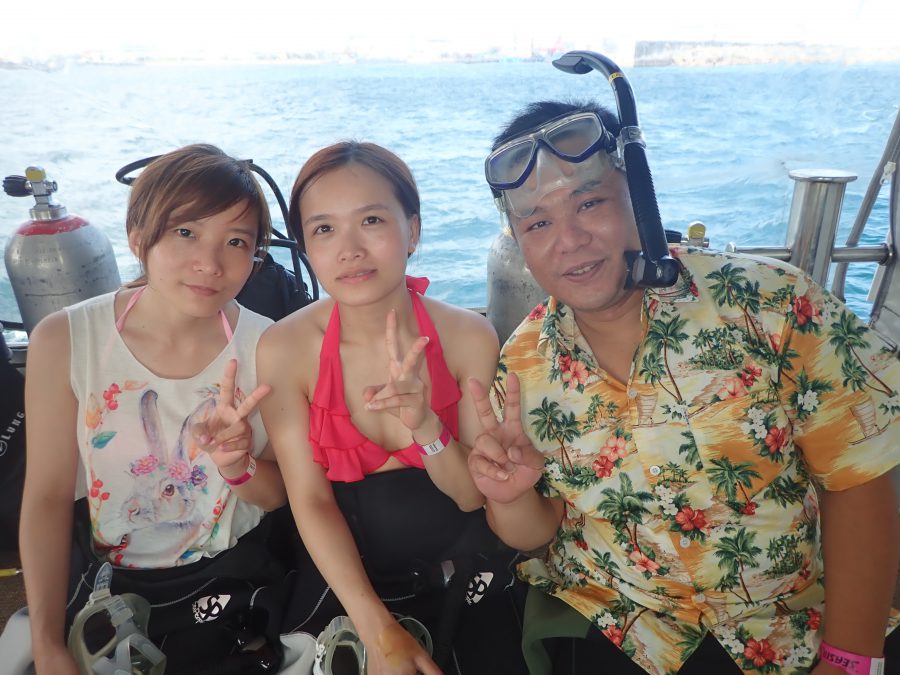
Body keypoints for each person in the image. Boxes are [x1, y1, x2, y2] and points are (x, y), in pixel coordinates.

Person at [467, 99, 900, 675]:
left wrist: (850, 660)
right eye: (537, 223)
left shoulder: (770, 304)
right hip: (622, 623)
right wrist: (510, 493)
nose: (568, 240)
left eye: (590, 203)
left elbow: (860, 477)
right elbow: (536, 534)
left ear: (640, 197)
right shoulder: (522, 363)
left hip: (794, 619)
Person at [17, 144, 288, 674]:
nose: (209, 263)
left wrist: (238, 466)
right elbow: (47, 498)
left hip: (231, 578)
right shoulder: (67, 340)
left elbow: (280, 497)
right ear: (138, 235)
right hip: (106, 578)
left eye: (236, 241)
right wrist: (48, 644)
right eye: (186, 232)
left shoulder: (271, 346)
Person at [257, 141, 524, 675]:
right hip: (344, 576)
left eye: (372, 220)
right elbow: (310, 500)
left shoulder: (466, 337)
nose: (350, 250)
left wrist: (427, 427)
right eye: (324, 229)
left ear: (413, 230)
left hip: (461, 566)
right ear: (306, 247)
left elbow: (472, 495)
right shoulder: (285, 349)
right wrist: (378, 631)